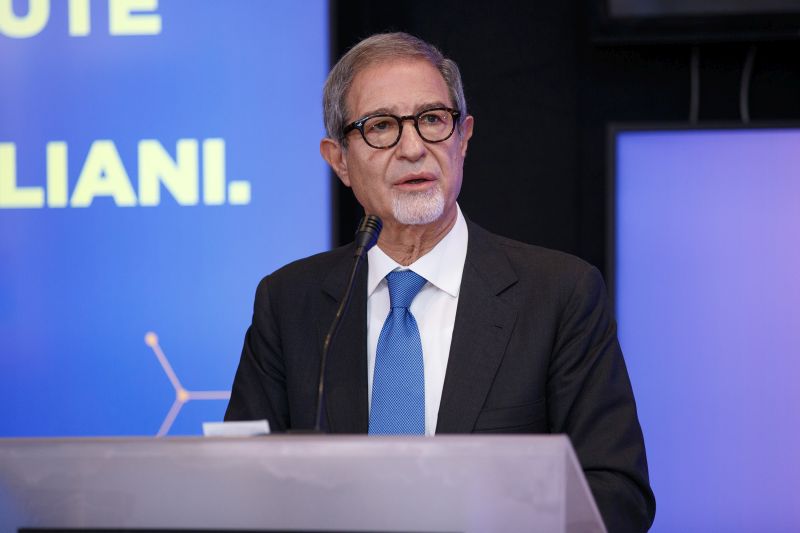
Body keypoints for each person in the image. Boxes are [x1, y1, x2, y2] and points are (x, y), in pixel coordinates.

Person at [226, 32, 655, 531]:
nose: (413, 148)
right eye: (380, 126)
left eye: (432, 119)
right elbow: (239, 486)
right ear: (339, 159)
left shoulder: (559, 294)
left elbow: (617, 494)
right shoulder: (288, 302)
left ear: (463, 138)